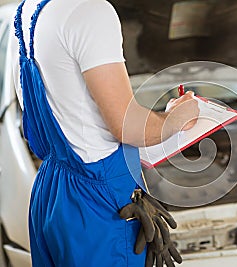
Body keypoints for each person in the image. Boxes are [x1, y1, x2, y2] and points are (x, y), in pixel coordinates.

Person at [11, 0, 199, 266]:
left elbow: (46, 122)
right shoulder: (90, 10)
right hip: (100, 201)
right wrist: (175, 119)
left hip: (51, 192)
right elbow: (126, 126)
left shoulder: (27, 10)